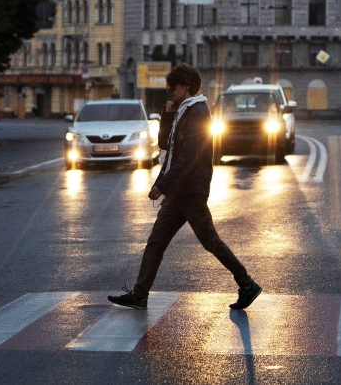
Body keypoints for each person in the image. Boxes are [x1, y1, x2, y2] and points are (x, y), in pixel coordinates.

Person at [108, 64, 262, 311]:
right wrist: (167, 115)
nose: (170, 92)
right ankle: (139, 294)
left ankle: (247, 284)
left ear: (186, 87)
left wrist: (163, 184)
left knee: (210, 241)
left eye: (174, 88)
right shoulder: (182, 111)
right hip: (179, 191)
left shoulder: (198, 112)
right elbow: (164, 145)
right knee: (156, 242)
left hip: (190, 190)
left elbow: (189, 156)